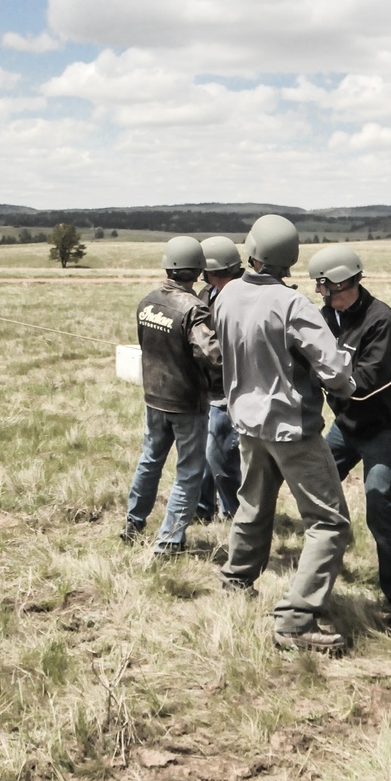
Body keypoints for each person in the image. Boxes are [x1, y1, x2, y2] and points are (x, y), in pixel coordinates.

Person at [213, 214, 356, 651]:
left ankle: (237, 582)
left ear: (252, 249)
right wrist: (344, 380)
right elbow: (335, 369)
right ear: (290, 258)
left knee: (253, 504)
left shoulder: (226, 294)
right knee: (329, 522)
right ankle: (296, 620)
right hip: (292, 429)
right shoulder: (294, 304)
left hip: (247, 424)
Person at [309, 244, 391, 634]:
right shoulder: (327, 317)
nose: (323, 296)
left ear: (345, 281)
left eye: (326, 288)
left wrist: (319, 373)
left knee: (378, 505)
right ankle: (312, 583)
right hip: (347, 424)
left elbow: (365, 383)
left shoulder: (382, 321)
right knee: (314, 488)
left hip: (385, 426)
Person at [121, 236, 223, 557]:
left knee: (150, 461)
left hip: (154, 396)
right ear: (197, 271)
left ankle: (133, 523)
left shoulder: (147, 301)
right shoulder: (194, 309)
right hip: (186, 403)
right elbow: (213, 355)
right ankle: (169, 542)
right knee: (189, 472)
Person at [196, 235, 243, 521]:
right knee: (203, 454)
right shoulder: (206, 294)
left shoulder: (239, 297)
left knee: (221, 456)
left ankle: (235, 513)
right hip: (206, 387)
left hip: (229, 389)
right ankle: (203, 509)